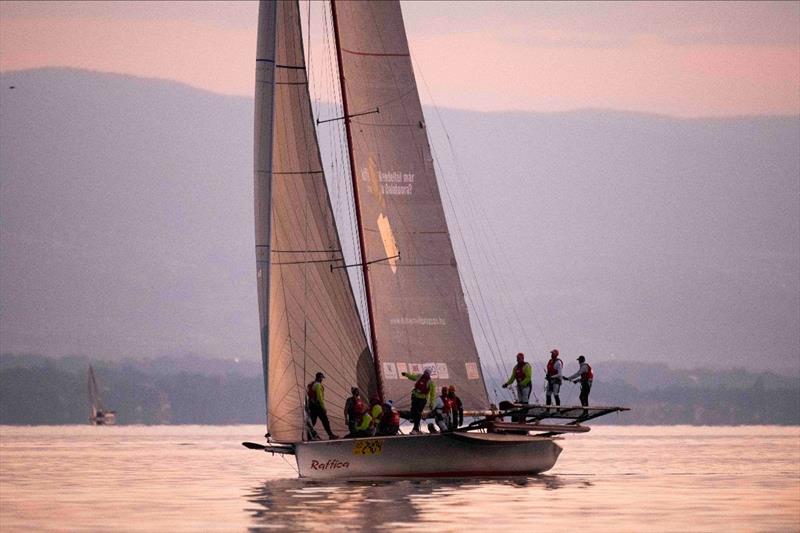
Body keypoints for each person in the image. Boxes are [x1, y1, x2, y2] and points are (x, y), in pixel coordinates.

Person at [401, 368, 435, 434]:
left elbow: (412, 377)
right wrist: (431, 403)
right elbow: (432, 394)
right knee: (418, 413)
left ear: (424, 372)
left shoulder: (420, 376)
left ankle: (414, 423)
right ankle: (415, 428)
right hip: (422, 399)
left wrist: (405, 374)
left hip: (415, 397)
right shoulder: (431, 382)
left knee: (414, 410)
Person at [306, 372, 338, 440]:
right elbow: (320, 397)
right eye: (321, 378)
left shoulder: (312, 384)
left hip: (312, 406)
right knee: (325, 421)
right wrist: (323, 407)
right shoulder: (318, 385)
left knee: (313, 421)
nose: (322, 379)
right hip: (318, 406)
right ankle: (331, 435)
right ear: (318, 377)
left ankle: (309, 436)